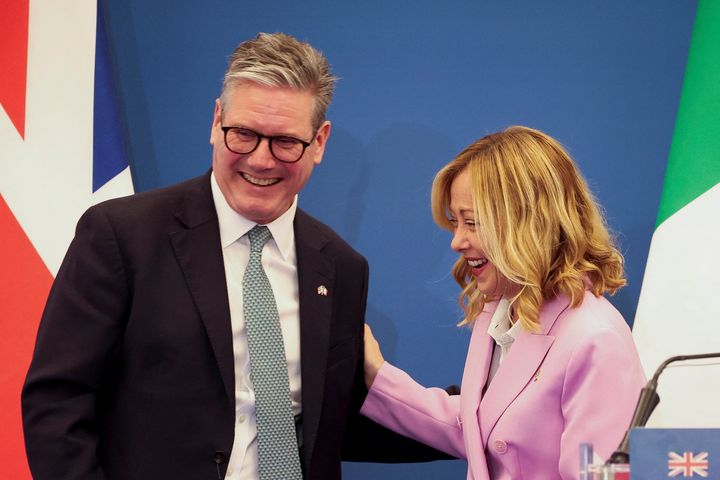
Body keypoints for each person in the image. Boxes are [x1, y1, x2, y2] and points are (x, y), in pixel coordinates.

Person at [22, 32, 440, 480]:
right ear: (216, 121)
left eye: (285, 142)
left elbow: (333, 423)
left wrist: (479, 418)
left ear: (319, 142)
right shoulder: (122, 235)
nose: (261, 160)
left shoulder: (341, 267)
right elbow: (58, 401)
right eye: (243, 134)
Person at [361, 126, 646, 480]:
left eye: (473, 222)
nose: (457, 242)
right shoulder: (501, 310)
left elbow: (598, 474)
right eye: (455, 223)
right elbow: (482, 427)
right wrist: (377, 375)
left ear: (530, 223)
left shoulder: (595, 339)